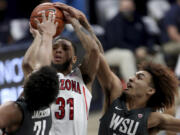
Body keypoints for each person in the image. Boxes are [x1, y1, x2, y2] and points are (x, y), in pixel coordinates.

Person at [22, 2, 100, 135]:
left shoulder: (82, 77)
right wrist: (39, 37)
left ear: (75, 59)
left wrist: (75, 23)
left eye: (65, 48)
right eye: (54, 48)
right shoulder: (44, 79)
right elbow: (27, 65)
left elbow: (93, 50)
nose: (58, 51)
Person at [95, 35, 180, 134]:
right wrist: (83, 26)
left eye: (139, 78)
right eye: (134, 76)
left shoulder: (154, 119)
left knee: (171, 110)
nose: (131, 78)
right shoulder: (115, 99)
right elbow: (96, 53)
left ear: (150, 90)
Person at [0, 66, 59, 135]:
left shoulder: (13, 110)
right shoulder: (46, 107)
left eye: (32, 73)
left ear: (27, 84)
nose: (31, 72)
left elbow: (26, 62)